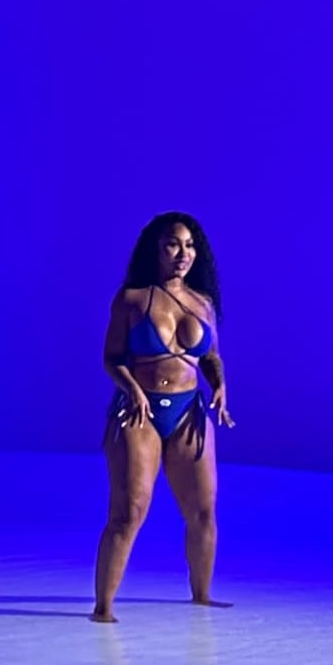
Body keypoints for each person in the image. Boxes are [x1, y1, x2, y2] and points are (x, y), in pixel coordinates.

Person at [93, 212, 233, 621]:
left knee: (203, 512)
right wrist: (132, 389)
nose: (182, 254)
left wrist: (220, 384)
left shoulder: (203, 304)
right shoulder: (132, 300)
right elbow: (111, 358)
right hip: (140, 411)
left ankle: (201, 598)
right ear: (156, 249)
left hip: (189, 411)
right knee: (129, 511)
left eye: (190, 246)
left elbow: (211, 357)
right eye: (173, 244)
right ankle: (102, 609)